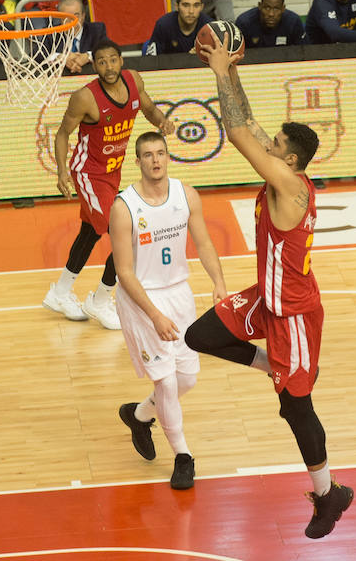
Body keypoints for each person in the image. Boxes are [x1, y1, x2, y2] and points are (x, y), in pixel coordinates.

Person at [185, 32, 354, 540]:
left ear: (292, 162)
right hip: (267, 297)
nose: (268, 145)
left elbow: (236, 133)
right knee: (201, 337)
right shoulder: (286, 170)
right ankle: (274, 366)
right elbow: (249, 123)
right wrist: (232, 69)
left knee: (294, 407)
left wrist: (216, 71)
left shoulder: (290, 186)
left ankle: (329, 496)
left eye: (277, 145)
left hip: (295, 312)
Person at [113, 131, 227, 490]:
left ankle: (140, 414)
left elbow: (204, 241)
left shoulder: (185, 194)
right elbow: (124, 271)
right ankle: (183, 456)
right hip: (142, 299)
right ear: (138, 162)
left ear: (167, 157)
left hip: (179, 293)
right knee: (164, 379)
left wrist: (218, 283)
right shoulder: (124, 207)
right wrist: (154, 315)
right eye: (148, 155)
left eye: (160, 153)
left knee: (187, 378)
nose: (156, 160)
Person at [44, 39, 175, 327]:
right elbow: (62, 134)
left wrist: (162, 121)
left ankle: (61, 292)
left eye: (112, 59)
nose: (108, 66)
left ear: (121, 60)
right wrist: (62, 172)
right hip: (89, 173)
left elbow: (149, 108)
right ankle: (100, 301)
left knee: (90, 231)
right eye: (101, 61)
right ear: (95, 64)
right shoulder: (85, 97)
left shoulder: (134, 80)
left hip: (111, 171)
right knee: (126, 236)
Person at [143, 0, 211, 55]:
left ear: (202, 7)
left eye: (196, 5)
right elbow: (152, 60)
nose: (191, 11)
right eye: (186, 5)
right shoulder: (163, 25)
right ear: (176, 6)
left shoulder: (209, 27)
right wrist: (189, 59)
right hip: (167, 66)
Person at [235, 0, 305, 47]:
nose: (271, 14)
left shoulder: (293, 22)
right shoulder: (244, 23)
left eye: (276, 8)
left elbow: (304, 53)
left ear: (283, 8)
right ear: (260, 6)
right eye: (267, 8)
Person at [57, 0, 107, 74]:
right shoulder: (50, 32)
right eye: (67, 17)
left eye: (76, 16)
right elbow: (37, 55)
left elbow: (108, 50)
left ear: (83, 16)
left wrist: (89, 56)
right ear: (60, 18)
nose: (72, 20)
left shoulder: (97, 30)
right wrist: (61, 57)